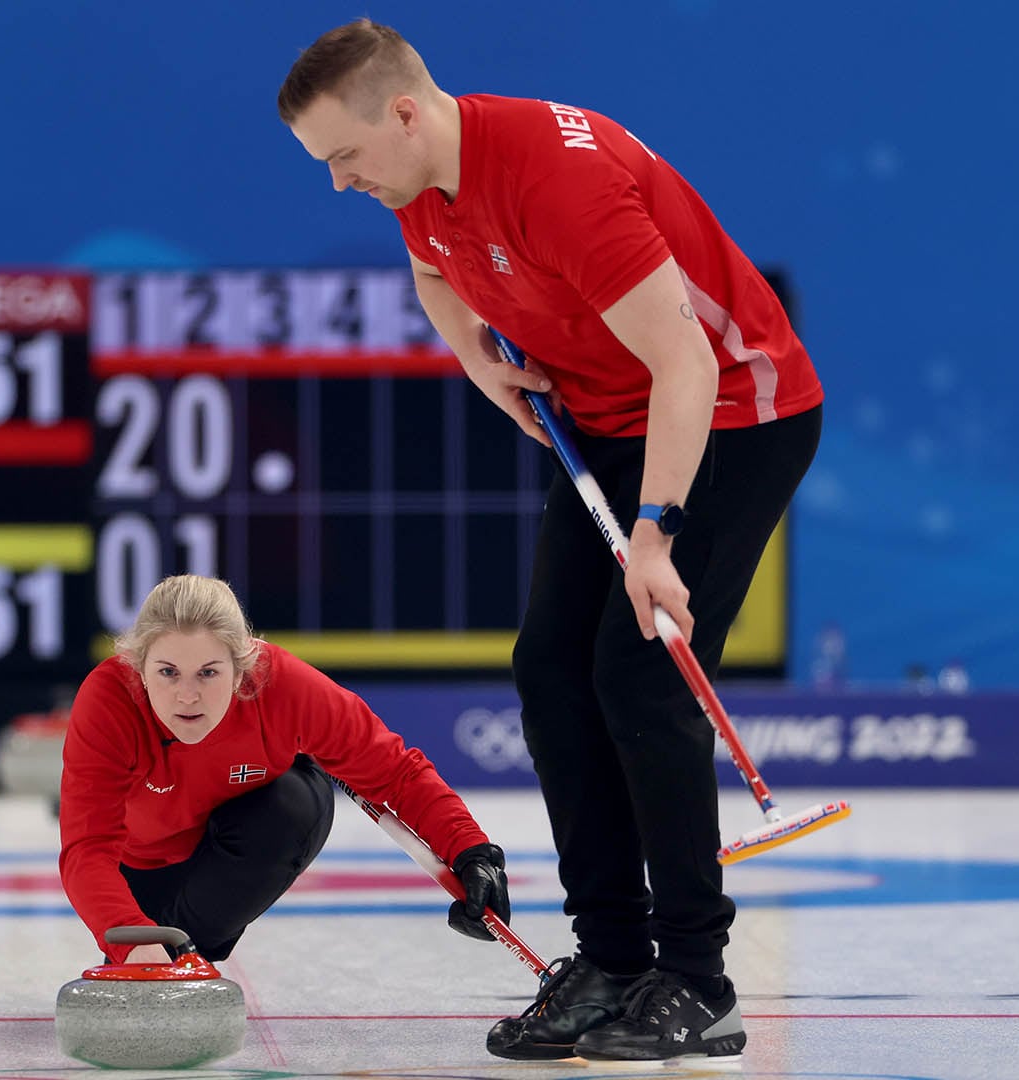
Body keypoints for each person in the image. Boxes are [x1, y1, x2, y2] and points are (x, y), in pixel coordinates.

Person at [278, 20, 824, 1065]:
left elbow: (689, 367)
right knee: (550, 673)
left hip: (733, 418)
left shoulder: (554, 181)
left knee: (642, 677)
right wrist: (483, 366)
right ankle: (613, 958)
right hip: (608, 423)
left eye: (344, 157)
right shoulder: (419, 186)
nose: (341, 183)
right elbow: (439, 276)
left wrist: (658, 534)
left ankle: (700, 983)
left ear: (404, 111)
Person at [58, 573, 513, 968]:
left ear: (241, 670)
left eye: (209, 673)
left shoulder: (284, 685)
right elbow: (87, 848)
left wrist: (472, 852)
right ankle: (163, 948)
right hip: (142, 870)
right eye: (168, 673)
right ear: (139, 669)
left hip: (237, 847)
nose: (188, 696)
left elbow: (396, 772)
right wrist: (129, 935)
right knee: (140, 929)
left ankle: (184, 952)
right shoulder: (108, 702)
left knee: (294, 803)